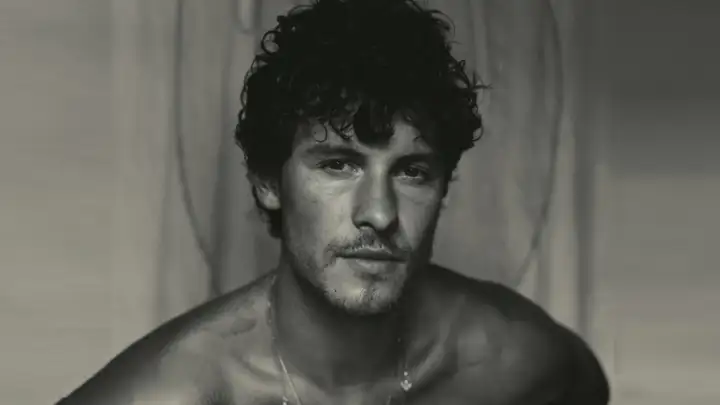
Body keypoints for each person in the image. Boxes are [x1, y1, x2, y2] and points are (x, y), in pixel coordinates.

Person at [58, 0, 610, 404]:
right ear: (268, 182)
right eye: (338, 165)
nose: (380, 213)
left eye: (412, 172)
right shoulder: (178, 394)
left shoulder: (512, 360)